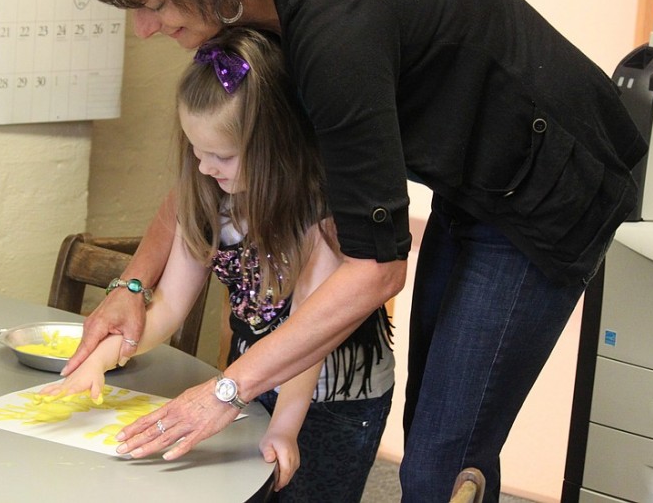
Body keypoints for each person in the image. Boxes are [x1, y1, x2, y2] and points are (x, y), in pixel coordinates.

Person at [64, 0, 648, 502]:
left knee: (439, 460)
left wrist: (227, 389)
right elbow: (202, 183)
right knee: (443, 428)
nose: (144, 29)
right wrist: (133, 282)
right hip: (481, 181)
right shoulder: (261, 10)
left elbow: (377, 269)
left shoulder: (333, 28)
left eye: (148, 4)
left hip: (555, 188)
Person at [44, 27, 395, 501]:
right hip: (245, 379)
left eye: (221, 155)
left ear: (275, 146)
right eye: (194, 148)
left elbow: (309, 336)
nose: (204, 166)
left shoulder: (321, 216)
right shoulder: (213, 197)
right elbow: (167, 307)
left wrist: (287, 427)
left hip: (332, 398)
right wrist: (101, 361)